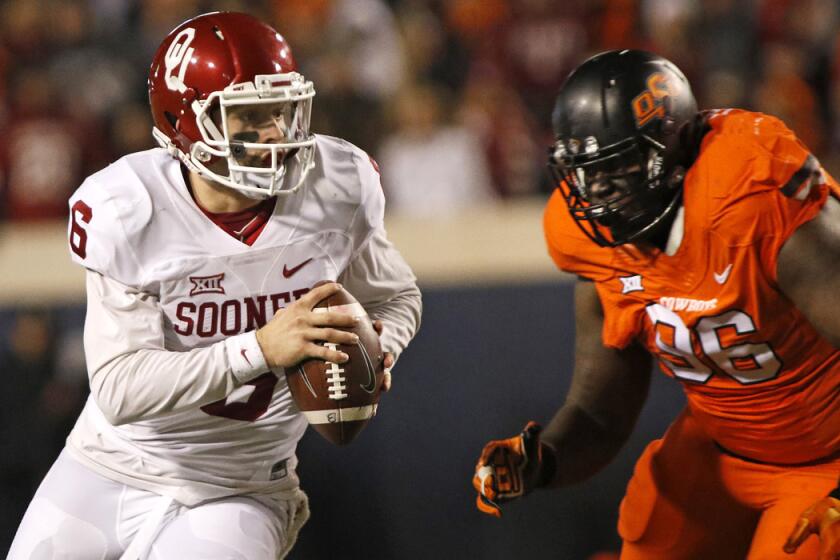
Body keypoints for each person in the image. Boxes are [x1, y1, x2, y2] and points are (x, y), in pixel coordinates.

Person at [9, 11, 421, 560]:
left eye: (282, 110)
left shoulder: (335, 185)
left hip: (243, 485)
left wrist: (376, 343)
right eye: (250, 118)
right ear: (185, 125)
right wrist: (261, 347)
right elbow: (121, 389)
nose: (277, 133)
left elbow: (395, 297)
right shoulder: (130, 208)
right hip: (113, 463)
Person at [472, 49, 839, 559]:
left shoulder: (752, 199)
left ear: (674, 148)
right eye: (584, 170)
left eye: (617, 165)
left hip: (828, 463)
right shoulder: (589, 239)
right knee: (652, 536)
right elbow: (599, 413)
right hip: (719, 453)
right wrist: (542, 462)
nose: (597, 190)